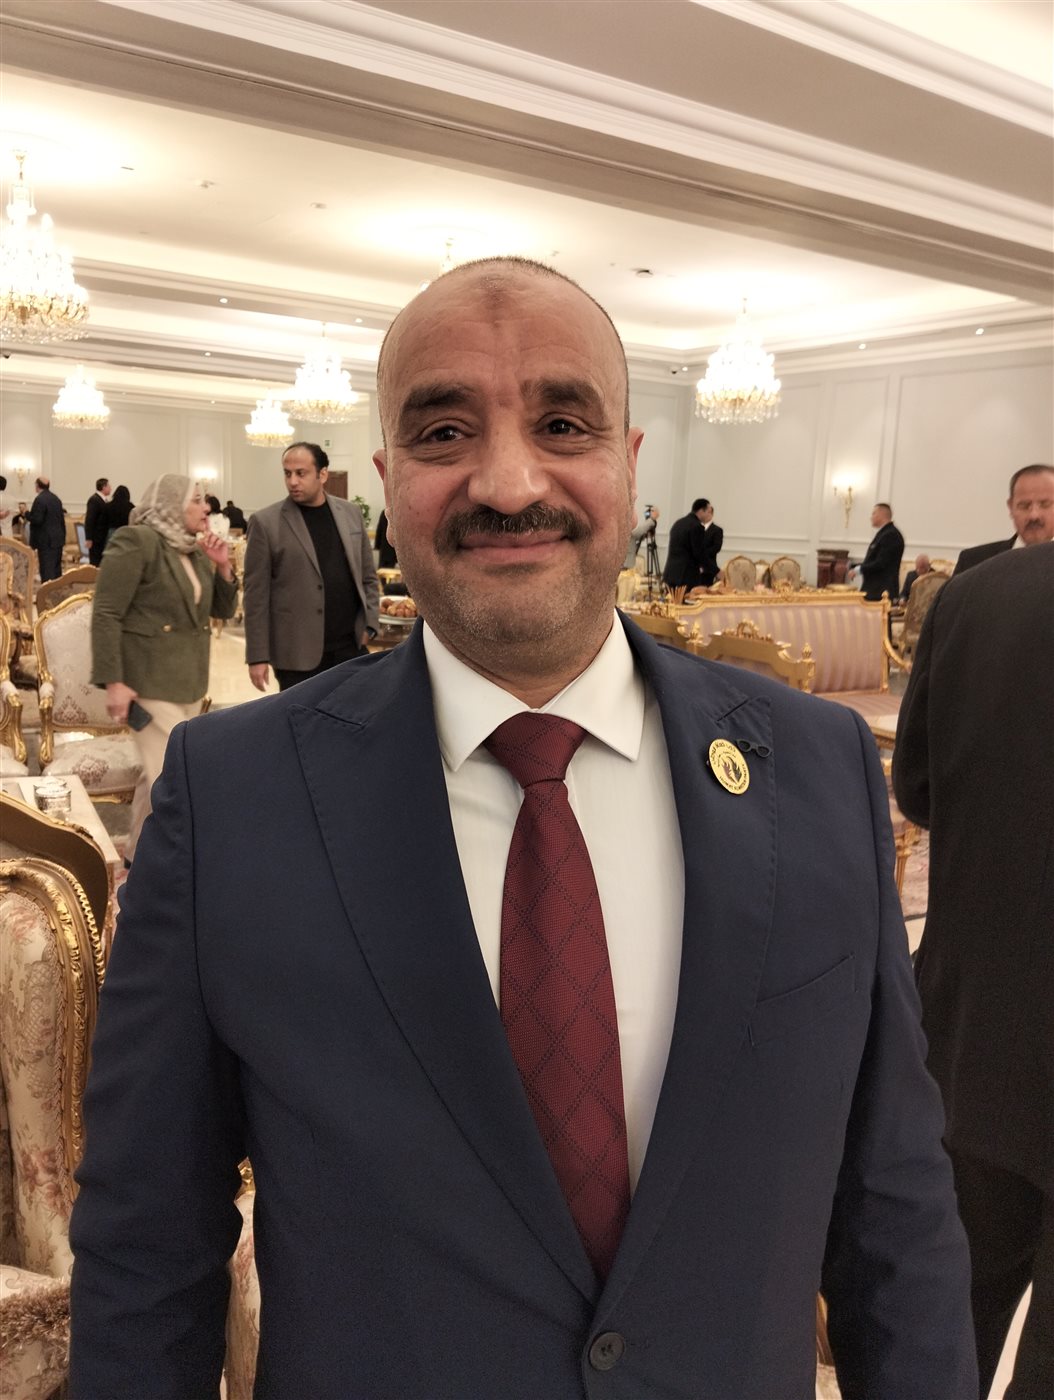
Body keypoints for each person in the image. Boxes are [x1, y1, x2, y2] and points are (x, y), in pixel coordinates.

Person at [70, 257, 975, 1399]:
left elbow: (892, 1205)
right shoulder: (233, 794)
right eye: (444, 432)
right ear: (386, 479)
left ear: (630, 466)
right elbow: (149, 1241)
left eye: (561, 423)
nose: (507, 482)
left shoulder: (816, 766)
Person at [894, 542, 1053, 1399]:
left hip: (978, 1036)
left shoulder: (978, 596)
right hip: (979, 1029)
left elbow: (917, 788)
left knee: (941, 1340)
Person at [90, 473, 237, 861]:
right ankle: (175, 869)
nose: (206, 508)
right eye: (196, 500)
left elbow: (221, 611)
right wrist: (113, 680)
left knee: (156, 776)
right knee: (175, 780)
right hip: (147, 684)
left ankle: (135, 858)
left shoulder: (193, 550)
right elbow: (106, 612)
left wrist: (223, 567)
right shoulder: (137, 540)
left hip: (188, 682)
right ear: (172, 504)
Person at [243, 442, 380, 691]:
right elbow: (256, 596)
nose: (292, 481)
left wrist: (369, 625)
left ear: (322, 474)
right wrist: (257, 656)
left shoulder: (350, 513)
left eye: (301, 473)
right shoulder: (265, 523)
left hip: (350, 647)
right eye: (287, 473)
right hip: (296, 655)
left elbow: (368, 576)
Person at [953, 464, 1054, 574]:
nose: (1033, 515)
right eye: (1024, 505)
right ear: (1011, 508)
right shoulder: (974, 561)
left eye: (1045, 504)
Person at [662, 498, 722, 590]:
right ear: (701, 511)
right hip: (685, 577)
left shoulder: (678, 523)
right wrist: (716, 571)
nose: (709, 515)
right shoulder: (696, 526)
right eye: (708, 512)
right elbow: (699, 553)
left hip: (670, 574)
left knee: (671, 599)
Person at [850, 503, 904, 602]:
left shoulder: (891, 535)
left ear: (881, 514)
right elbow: (873, 559)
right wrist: (855, 566)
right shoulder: (884, 533)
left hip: (881, 592)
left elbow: (881, 563)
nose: (871, 517)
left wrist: (858, 569)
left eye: (874, 513)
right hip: (874, 590)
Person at [28, 475, 65, 582]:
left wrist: (26, 514)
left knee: (47, 571)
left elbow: (37, 519)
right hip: (58, 539)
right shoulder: (56, 499)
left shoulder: (40, 499)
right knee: (56, 570)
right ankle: (57, 590)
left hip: (45, 540)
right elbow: (61, 520)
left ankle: (47, 591)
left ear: (37, 486)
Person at [84, 476, 112, 566]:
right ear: (103, 487)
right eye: (109, 486)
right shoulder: (94, 500)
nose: (110, 488)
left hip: (102, 538)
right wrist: (89, 538)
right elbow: (90, 520)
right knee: (95, 562)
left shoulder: (104, 500)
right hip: (96, 538)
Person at [623, 504, 659, 570]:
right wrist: (651, 520)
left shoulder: (650, 522)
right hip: (625, 557)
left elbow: (636, 533)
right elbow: (635, 533)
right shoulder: (650, 522)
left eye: (651, 511)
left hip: (626, 558)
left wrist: (651, 520)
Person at [103, 484, 133, 549]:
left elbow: (104, 522)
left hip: (112, 532)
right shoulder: (131, 507)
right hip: (126, 532)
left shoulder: (108, 506)